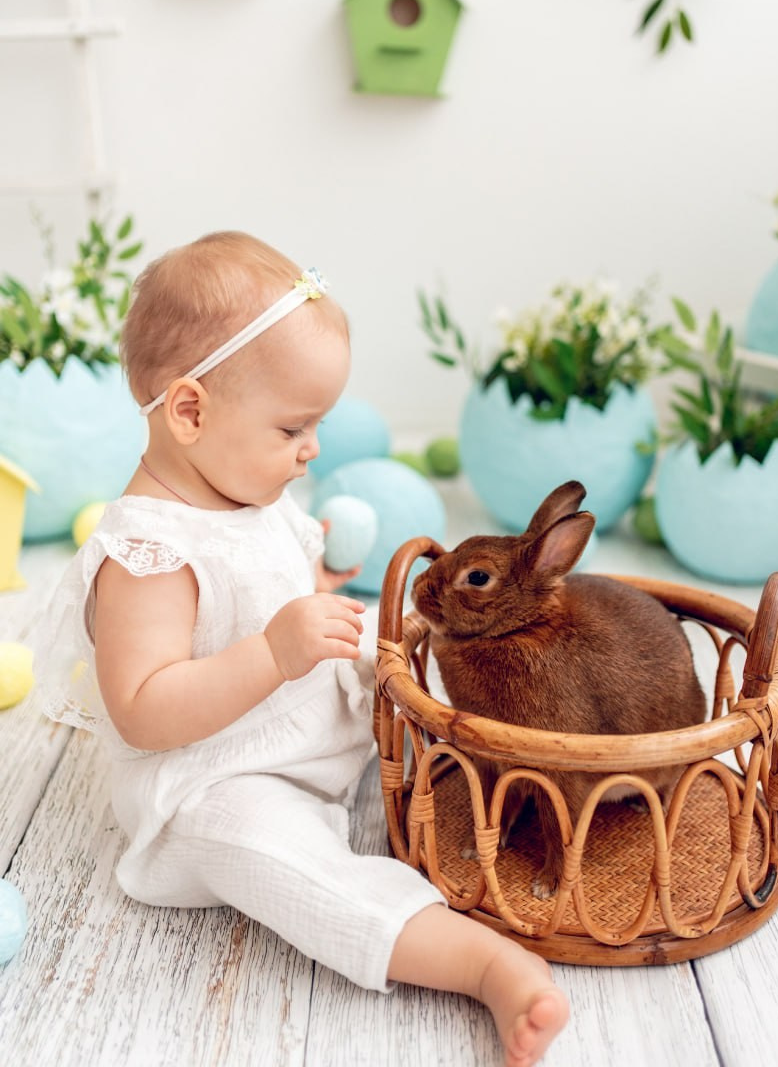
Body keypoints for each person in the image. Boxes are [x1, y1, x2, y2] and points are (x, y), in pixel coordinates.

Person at [32, 231, 569, 1067]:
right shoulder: (147, 553)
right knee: (281, 863)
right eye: (293, 426)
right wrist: (275, 653)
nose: (312, 447)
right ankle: (484, 966)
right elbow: (142, 711)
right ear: (189, 412)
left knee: (411, 655)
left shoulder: (242, 483)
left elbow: (264, 591)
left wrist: (314, 578)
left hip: (304, 725)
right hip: (217, 781)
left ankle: (539, 755)